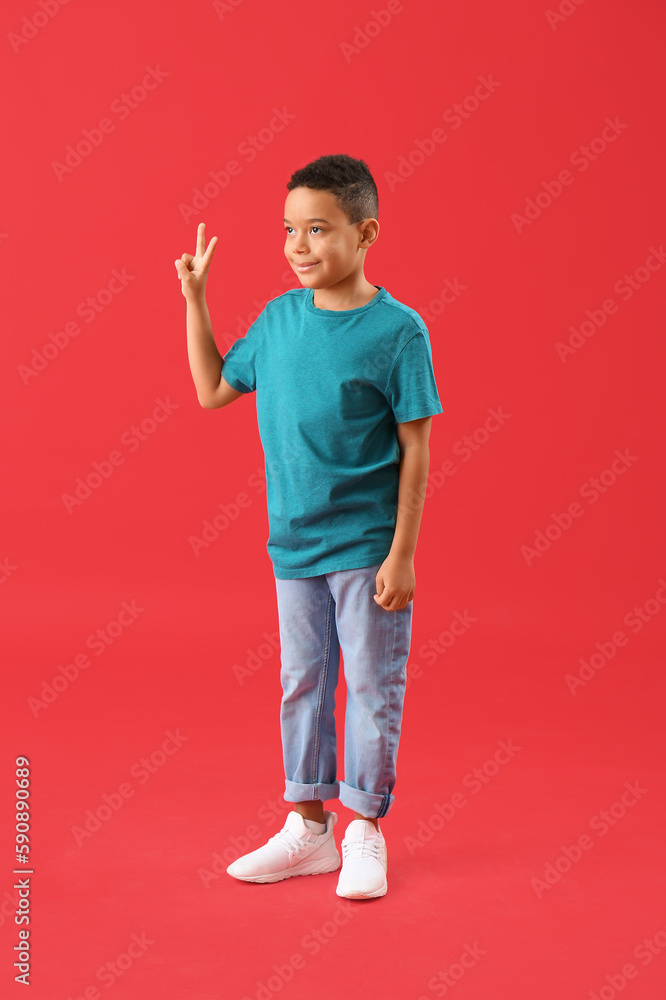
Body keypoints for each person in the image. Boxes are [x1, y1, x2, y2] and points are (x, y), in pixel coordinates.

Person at [175, 153, 442, 899]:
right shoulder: (278, 320)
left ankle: (363, 829)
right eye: (289, 229)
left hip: (365, 546)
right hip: (293, 545)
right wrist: (196, 300)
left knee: (370, 685)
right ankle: (308, 827)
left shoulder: (398, 332)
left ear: (365, 233)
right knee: (302, 683)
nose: (298, 245)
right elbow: (211, 390)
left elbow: (416, 448)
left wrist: (403, 554)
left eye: (317, 229)